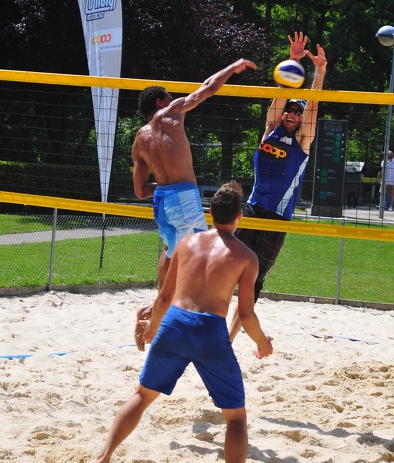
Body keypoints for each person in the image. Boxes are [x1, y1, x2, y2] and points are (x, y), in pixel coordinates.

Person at [93, 183, 273, 463]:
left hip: (174, 324)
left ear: (210, 212)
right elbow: (246, 315)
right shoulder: (246, 257)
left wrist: (152, 331)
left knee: (141, 397)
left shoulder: (187, 243)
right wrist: (262, 343)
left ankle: (102, 457)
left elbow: (164, 298)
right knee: (236, 418)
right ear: (240, 215)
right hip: (209, 331)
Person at [132, 58, 258, 349]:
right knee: (203, 257)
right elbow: (206, 88)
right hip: (183, 199)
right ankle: (160, 321)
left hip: (162, 202)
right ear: (162, 100)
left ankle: (151, 313)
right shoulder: (172, 112)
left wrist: (165, 186)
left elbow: (140, 191)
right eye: (169, 96)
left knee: (173, 253)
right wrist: (232, 67)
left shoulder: (139, 139)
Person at [229, 32, 327, 341]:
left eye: (297, 113)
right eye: (290, 110)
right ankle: (210, 327)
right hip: (253, 210)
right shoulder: (270, 131)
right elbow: (279, 99)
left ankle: (228, 339)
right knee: (226, 269)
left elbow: (312, 108)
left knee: (253, 282)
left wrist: (319, 73)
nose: (292, 114)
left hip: (277, 220)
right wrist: (293, 61)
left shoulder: (303, 142)